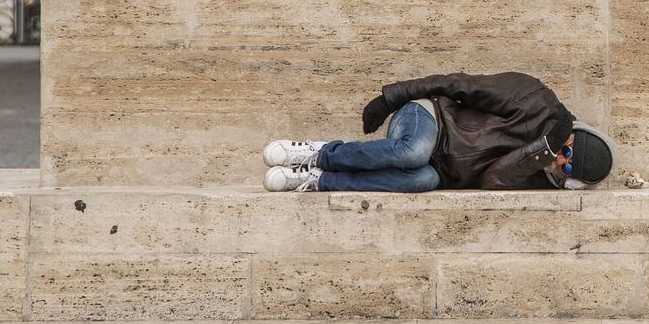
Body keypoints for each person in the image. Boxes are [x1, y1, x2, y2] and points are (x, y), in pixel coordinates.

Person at [262, 71, 616, 193]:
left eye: (568, 168)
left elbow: (492, 180)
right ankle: (319, 153)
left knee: (422, 180)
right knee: (413, 152)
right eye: (568, 151)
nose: (561, 161)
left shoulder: (539, 173)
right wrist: (390, 97)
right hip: (431, 118)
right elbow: (459, 84)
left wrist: (543, 151)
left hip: (441, 170)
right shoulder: (536, 98)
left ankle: (317, 179)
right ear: (573, 132)